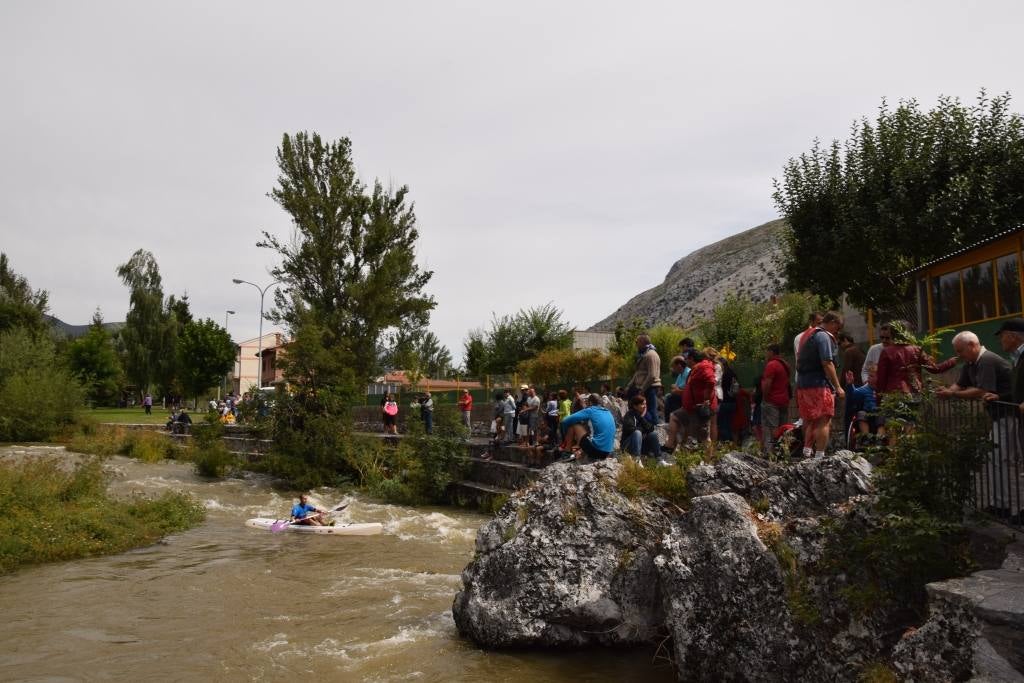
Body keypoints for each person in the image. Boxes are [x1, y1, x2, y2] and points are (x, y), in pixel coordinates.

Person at [937, 330, 1015, 519]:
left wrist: (952, 394)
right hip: (999, 416)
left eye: (960, 351)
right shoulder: (971, 362)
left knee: (999, 460)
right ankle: (999, 504)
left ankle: (1002, 505)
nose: (959, 355)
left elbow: (982, 390)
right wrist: (947, 390)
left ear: (972, 345)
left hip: (1009, 416)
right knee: (996, 460)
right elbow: (960, 383)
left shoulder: (987, 360)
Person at [795, 311, 845, 458]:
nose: (838, 332)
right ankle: (820, 456)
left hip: (803, 384)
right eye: (838, 327)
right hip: (819, 384)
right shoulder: (823, 336)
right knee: (824, 419)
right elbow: (827, 363)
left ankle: (807, 451)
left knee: (809, 419)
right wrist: (838, 386)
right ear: (833, 322)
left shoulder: (807, 335)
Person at [557, 393, 616, 463]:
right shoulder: (607, 412)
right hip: (607, 452)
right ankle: (579, 451)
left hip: (597, 451)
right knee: (591, 429)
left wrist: (565, 434)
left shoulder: (591, 410)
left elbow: (565, 421)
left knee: (573, 424)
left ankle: (567, 452)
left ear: (590, 402)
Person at [760, 344, 791, 455]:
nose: (765, 354)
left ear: (771, 352)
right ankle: (783, 451)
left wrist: (765, 398)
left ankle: (771, 452)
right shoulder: (785, 364)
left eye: (766, 352)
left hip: (772, 401)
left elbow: (767, 384)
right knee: (783, 427)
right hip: (784, 399)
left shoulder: (771, 365)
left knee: (771, 427)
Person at [626, 334, 662, 424]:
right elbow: (638, 373)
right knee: (642, 411)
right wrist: (629, 385)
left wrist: (643, 388)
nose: (636, 344)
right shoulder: (644, 355)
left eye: (637, 342)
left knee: (651, 410)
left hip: (650, 387)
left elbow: (652, 375)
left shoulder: (651, 355)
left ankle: (655, 432)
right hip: (643, 387)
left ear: (642, 342)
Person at [793, 311, 824, 383]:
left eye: (823, 323)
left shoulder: (822, 336)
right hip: (806, 380)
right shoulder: (801, 337)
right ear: (811, 322)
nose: (821, 326)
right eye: (819, 323)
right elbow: (802, 358)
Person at [665, 355, 689, 420]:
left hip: (685, 396)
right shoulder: (680, 374)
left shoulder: (687, 373)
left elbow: (681, 388)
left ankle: (670, 420)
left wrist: (676, 388)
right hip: (679, 394)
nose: (673, 369)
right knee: (668, 396)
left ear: (679, 366)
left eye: (674, 367)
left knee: (670, 398)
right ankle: (669, 420)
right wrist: (676, 388)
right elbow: (674, 386)